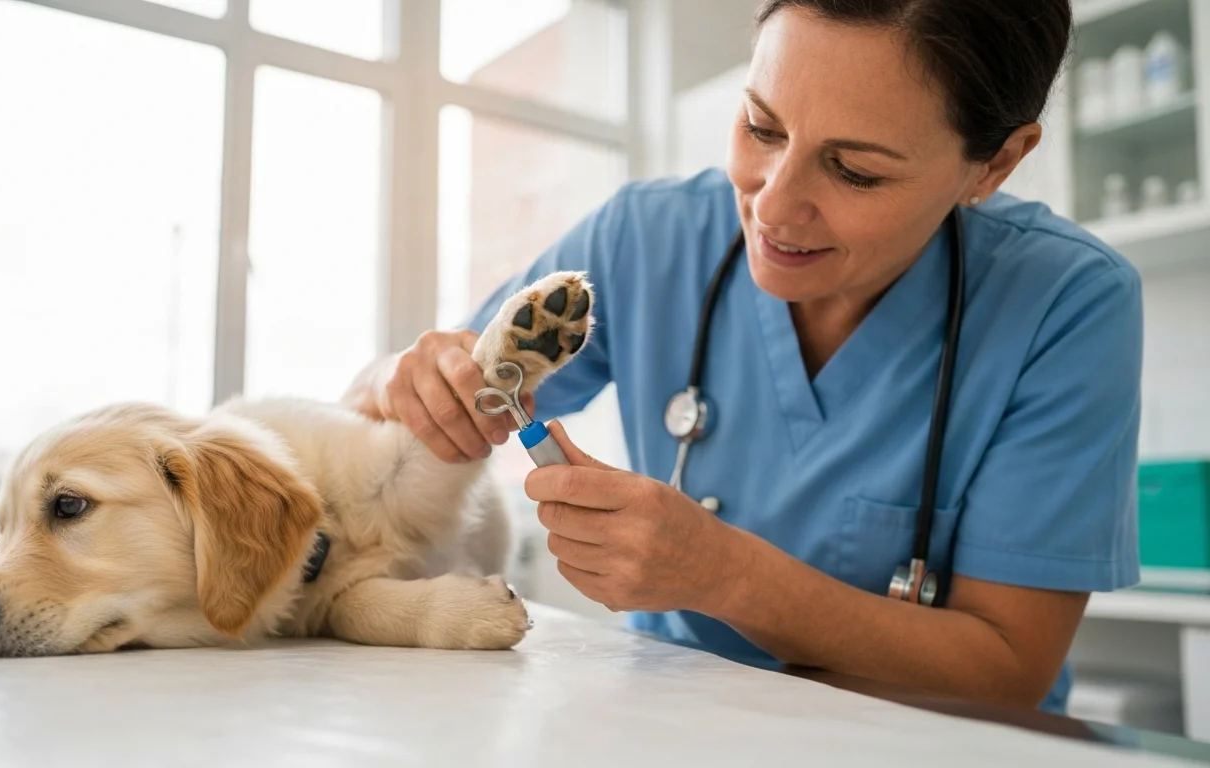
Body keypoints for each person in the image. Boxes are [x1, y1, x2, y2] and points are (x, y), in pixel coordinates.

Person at [343, 0, 1141, 714]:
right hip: (679, 724)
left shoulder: (1066, 302)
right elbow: (411, 409)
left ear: (997, 162)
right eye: (762, 128)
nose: (773, 202)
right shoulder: (645, 239)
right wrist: (397, 378)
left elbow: (1007, 670)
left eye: (856, 171)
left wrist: (724, 576)